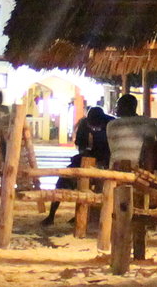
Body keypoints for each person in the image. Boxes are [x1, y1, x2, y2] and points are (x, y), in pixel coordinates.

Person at [47, 97, 113, 226]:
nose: (93, 127)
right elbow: (80, 145)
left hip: (106, 159)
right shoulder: (84, 124)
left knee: (95, 185)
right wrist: (87, 154)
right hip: (87, 158)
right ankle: (51, 214)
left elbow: (111, 148)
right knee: (64, 178)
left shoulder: (110, 124)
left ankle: (85, 214)